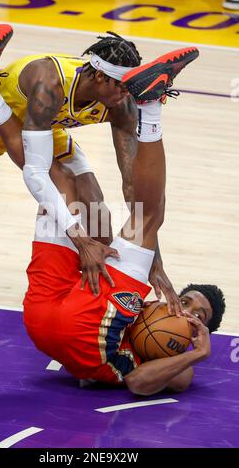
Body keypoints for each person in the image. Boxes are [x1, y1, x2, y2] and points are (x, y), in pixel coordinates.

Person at [0, 24, 195, 303]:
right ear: (100, 76)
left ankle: (105, 291)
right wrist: (80, 240)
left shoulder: (120, 105)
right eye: (123, 87)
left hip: (43, 129)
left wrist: (152, 260)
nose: (127, 95)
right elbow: (35, 174)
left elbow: (133, 188)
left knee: (94, 201)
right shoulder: (49, 83)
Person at [23, 119, 225, 395]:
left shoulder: (178, 366)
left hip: (87, 341)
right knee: (61, 181)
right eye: (186, 301)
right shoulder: (147, 306)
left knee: (146, 216)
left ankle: (148, 108)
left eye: (197, 315)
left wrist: (197, 354)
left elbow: (138, 383)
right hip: (44, 316)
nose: (186, 312)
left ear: (200, 333)